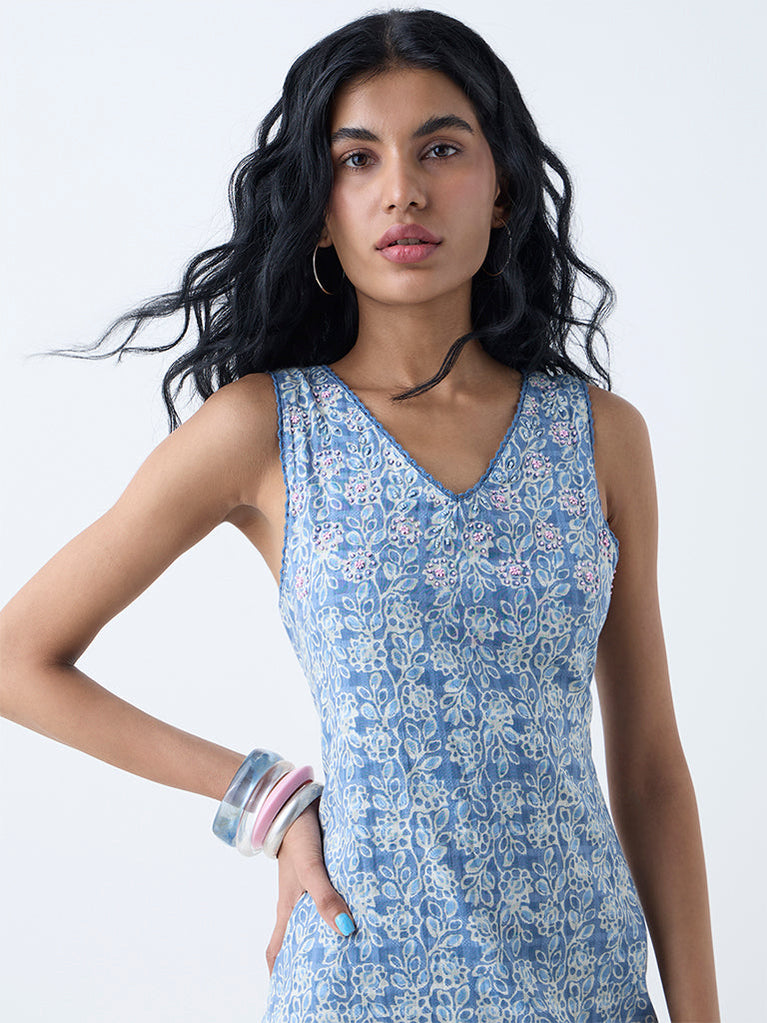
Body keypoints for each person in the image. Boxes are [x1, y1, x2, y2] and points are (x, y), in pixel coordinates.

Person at [0, 8, 720, 1022]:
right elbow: (17, 659)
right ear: (319, 206)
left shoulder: (599, 437)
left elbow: (647, 768)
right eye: (357, 158)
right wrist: (266, 795)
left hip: (583, 985)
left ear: (502, 185)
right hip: (362, 977)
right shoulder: (262, 429)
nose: (402, 190)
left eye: (440, 148)